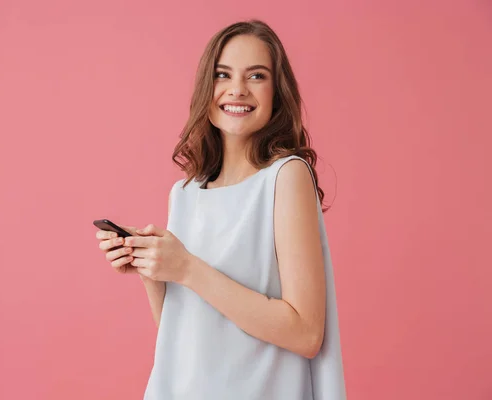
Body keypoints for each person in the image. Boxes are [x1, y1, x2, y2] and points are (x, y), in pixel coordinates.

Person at [95, 20, 346, 400]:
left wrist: (187, 268)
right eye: (222, 74)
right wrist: (153, 271)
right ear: (205, 88)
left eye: (256, 76)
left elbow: (306, 333)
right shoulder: (184, 193)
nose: (237, 89)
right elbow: (183, 336)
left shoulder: (286, 177)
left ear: (277, 92)